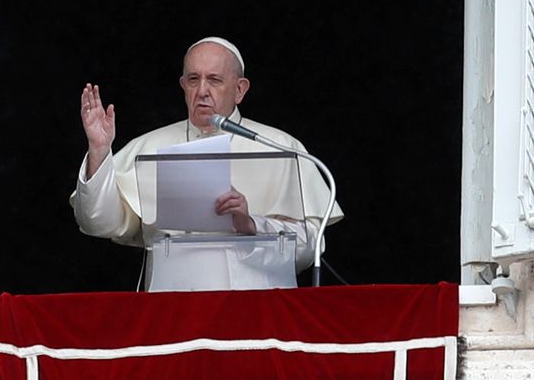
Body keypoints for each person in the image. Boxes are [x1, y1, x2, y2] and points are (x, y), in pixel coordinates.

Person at [69, 36, 343, 290]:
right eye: (193, 79)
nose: (202, 91)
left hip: (257, 309)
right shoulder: (148, 147)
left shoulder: (281, 147)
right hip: (172, 308)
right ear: (183, 85)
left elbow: (309, 248)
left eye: (214, 80)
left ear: (239, 89)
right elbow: (98, 223)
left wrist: (252, 225)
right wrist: (100, 150)